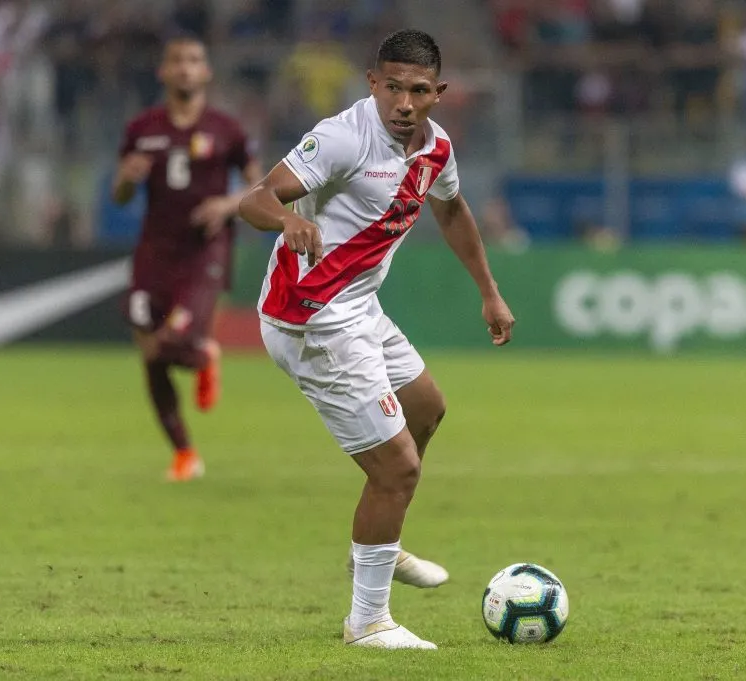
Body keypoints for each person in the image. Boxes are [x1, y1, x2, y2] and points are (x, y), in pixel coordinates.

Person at [239, 29, 515, 650]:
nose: (403, 103)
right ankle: (367, 621)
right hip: (310, 318)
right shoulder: (343, 137)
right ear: (372, 83)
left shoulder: (436, 148)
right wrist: (285, 219)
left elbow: (451, 209)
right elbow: (255, 199)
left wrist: (489, 291)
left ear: (439, 93)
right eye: (392, 87)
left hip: (357, 308)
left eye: (418, 91)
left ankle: (378, 537)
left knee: (427, 408)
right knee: (397, 468)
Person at [113, 34, 262, 482]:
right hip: (154, 252)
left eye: (193, 60)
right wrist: (127, 178)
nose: (184, 67)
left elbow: (261, 186)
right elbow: (120, 196)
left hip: (204, 251)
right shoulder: (142, 128)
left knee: (173, 342)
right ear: (163, 71)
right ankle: (184, 453)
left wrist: (227, 205)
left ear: (206, 72)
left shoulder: (226, 129)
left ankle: (200, 352)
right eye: (177, 60)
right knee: (151, 353)